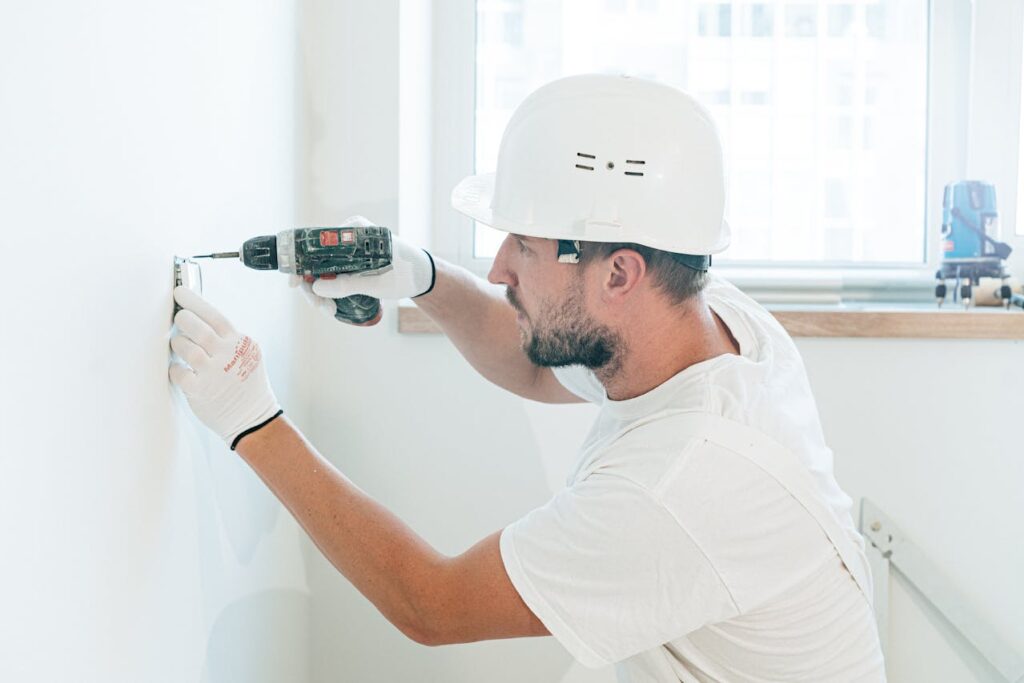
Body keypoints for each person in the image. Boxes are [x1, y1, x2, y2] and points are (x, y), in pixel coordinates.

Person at [169, 74, 885, 682]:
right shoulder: (703, 323)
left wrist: (253, 421)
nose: (499, 267)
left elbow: (432, 604)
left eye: (526, 246)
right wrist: (421, 277)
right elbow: (540, 365)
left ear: (619, 272)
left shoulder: (683, 484)